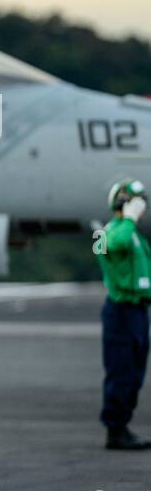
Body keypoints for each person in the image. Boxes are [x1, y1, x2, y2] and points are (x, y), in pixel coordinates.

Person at [97, 179, 151, 450]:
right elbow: (109, 247)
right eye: (136, 202)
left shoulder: (135, 236)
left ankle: (123, 424)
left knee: (137, 370)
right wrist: (128, 218)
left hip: (139, 310)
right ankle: (115, 430)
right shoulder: (108, 232)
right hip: (120, 310)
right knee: (121, 369)